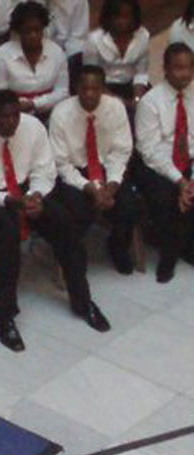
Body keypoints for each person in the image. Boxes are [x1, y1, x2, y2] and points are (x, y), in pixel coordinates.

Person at [0, 90, 110, 352]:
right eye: (4, 117)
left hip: (28, 191)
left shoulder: (33, 127)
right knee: (7, 232)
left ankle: (82, 300)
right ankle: (4, 314)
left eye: (15, 115)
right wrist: (10, 202)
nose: (11, 122)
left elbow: (44, 170)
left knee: (64, 224)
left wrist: (35, 196)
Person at [49, 64, 143, 274]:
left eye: (95, 89)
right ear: (76, 88)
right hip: (76, 173)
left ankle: (117, 247)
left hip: (108, 168)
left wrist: (111, 186)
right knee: (79, 210)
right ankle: (73, 256)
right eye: (85, 89)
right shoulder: (61, 114)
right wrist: (89, 188)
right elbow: (62, 164)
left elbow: (121, 151)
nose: (90, 94)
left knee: (129, 206)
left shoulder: (115, 108)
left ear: (103, 88)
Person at [134, 43, 194, 283]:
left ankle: (188, 245)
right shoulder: (151, 102)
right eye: (178, 68)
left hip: (188, 160)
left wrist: (191, 181)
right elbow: (150, 150)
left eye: (189, 67)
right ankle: (168, 255)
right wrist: (180, 181)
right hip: (156, 164)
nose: (185, 74)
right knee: (166, 197)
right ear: (166, 69)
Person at [0, 1, 70, 120]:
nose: (33, 35)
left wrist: (35, 104)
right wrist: (19, 105)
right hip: (14, 117)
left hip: (51, 115)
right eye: (27, 31)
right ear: (18, 31)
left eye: (37, 30)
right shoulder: (3, 54)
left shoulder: (56, 52)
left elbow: (63, 91)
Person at [0, 0, 89, 87]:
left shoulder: (78, 2)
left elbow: (77, 40)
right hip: (19, 61)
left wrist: (62, 65)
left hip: (62, 60)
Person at [83, 0, 149, 110]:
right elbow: (92, 78)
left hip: (132, 85)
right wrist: (121, 102)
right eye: (117, 16)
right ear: (108, 17)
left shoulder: (143, 36)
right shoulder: (94, 40)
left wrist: (137, 99)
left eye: (127, 16)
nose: (122, 21)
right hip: (104, 88)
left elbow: (141, 73)